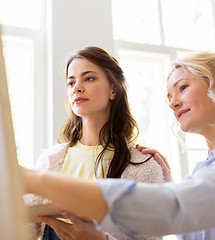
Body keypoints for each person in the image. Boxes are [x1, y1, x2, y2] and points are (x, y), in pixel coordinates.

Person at [23, 51, 215, 239]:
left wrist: (35, 179)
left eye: (182, 87)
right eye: (169, 95)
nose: (172, 102)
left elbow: (175, 209)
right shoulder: (206, 168)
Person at [24, 46, 168, 240]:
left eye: (88, 78)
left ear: (113, 90)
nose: (77, 87)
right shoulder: (49, 161)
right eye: (71, 82)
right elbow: (23, 229)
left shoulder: (143, 166)